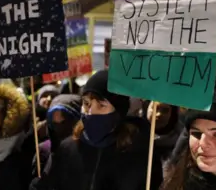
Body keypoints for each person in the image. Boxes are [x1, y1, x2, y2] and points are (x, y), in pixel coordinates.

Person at [30, 70, 163, 190]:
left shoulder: (140, 154)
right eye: (87, 103)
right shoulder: (67, 149)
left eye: (101, 105)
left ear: (118, 113)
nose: (90, 112)